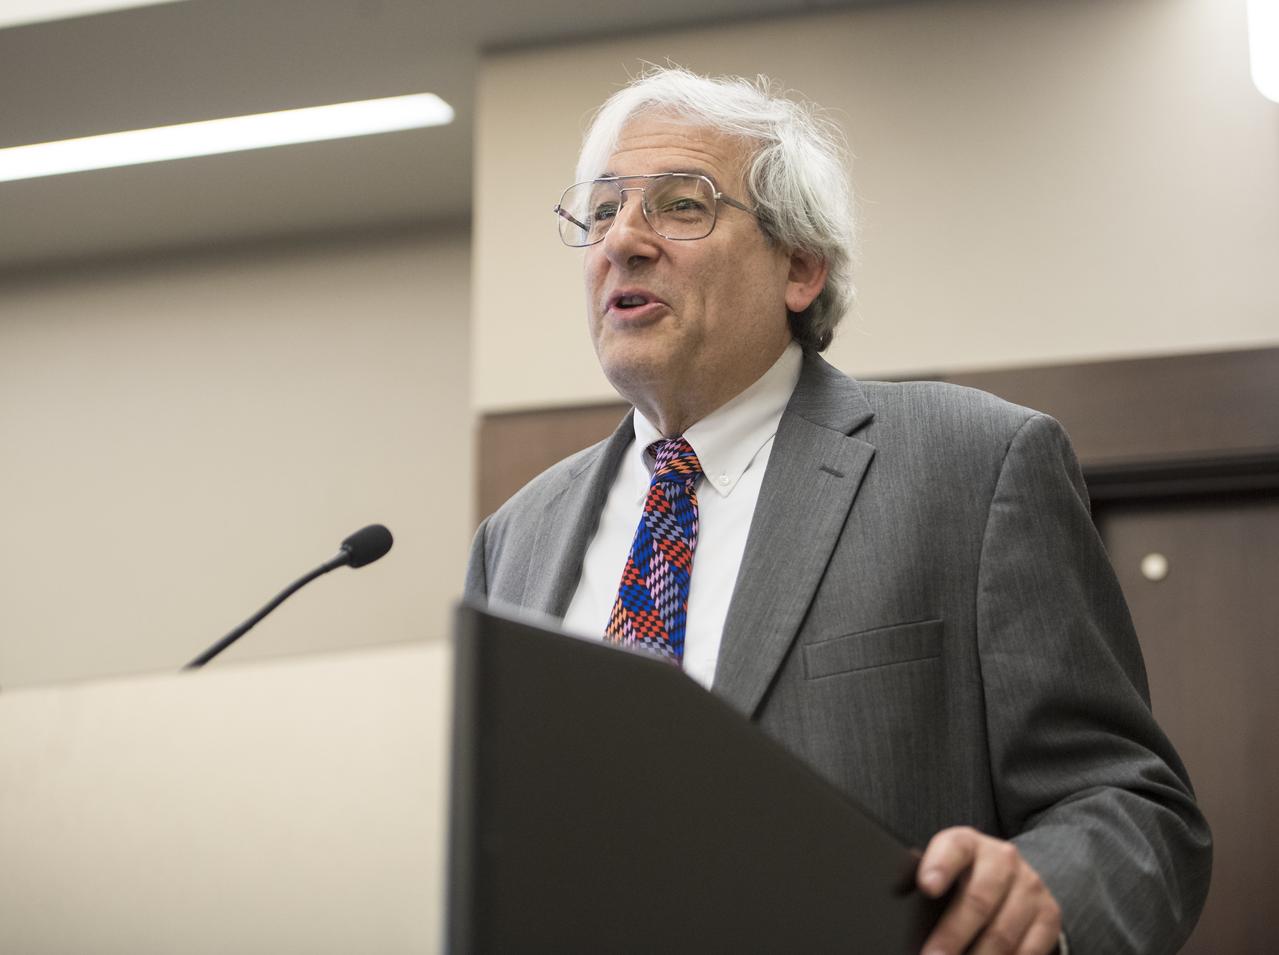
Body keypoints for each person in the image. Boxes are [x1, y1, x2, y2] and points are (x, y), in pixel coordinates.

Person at [465, 66, 1210, 954]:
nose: (621, 239)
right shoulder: (514, 539)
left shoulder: (973, 465)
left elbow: (1132, 806)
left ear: (800, 266)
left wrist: (1040, 891)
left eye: (679, 204)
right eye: (600, 212)